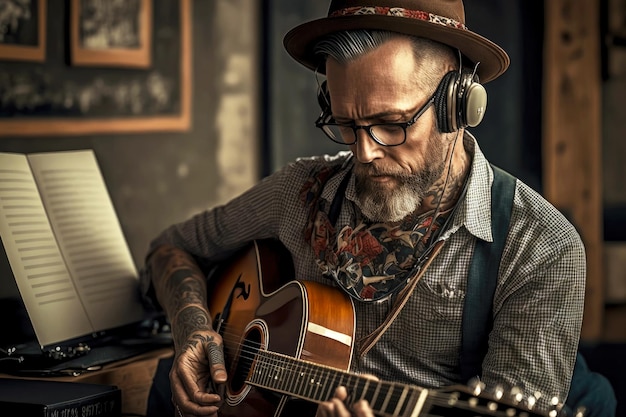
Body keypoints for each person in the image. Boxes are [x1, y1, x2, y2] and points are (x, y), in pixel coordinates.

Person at [139, 1, 589, 416]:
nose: (364, 153)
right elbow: (170, 249)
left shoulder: (540, 249)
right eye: (346, 125)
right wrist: (193, 328)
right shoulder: (299, 190)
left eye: (391, 124)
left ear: (458, 103)